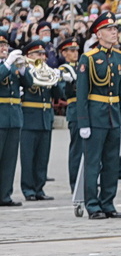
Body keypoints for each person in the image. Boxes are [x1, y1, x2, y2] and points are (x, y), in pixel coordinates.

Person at [73, 14, 121, 219]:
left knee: (112, 162)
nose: (114, 32)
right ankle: (93, 205)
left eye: (115, 28)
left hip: (113, 117)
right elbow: (81, 93)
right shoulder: (88, 58)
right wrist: (83, 122)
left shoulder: (120, 57)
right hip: (95, 116)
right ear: (99, 33)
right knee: (93, 162)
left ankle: (108, 203)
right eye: (109, 29)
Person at [17, 41, 62, 201]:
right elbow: (27, 85)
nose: (42, 57)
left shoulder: (46, 71)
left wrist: (56, 80)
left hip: (45, 118)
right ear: (28, 56)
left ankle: (39, 188)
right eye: (38, 54)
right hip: (29, 118)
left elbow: (58, 95)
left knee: (43, 157)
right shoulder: (24, 71)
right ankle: (28, 189)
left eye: (43, 54)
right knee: (28, 157)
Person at [0, 36, 27, 206]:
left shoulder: (11, 66)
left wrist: (23, 70)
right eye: (0, 45)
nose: (3, 48)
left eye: (5, 45)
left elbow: (30, 84)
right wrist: (8, 64)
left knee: (9, 160)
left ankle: (4, 195)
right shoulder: (6, 66)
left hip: (14, 116)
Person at [56, 38, 82, 193]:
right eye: (71, 51)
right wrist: (66, 81)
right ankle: (75, 183)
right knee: (77, 150)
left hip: (88, 110)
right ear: (64, 53)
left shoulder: (82, 66)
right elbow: (61, 93)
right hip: (75, 110)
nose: (75, 53)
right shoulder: (63, 70)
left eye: (76, 50)